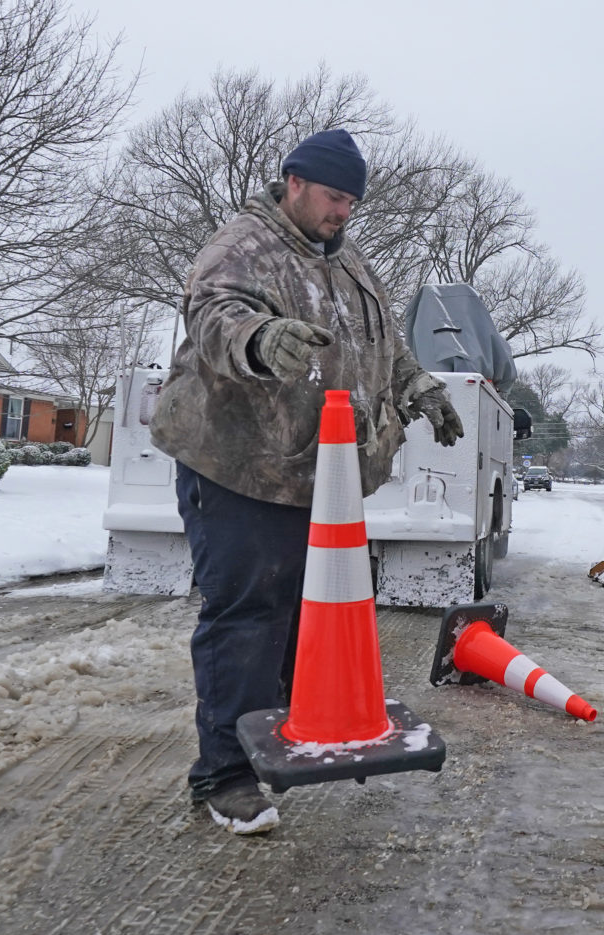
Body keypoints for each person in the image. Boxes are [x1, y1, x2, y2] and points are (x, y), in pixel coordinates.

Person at [150, 128, 464, 835]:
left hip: (311, 476)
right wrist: (261, 342)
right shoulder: (245, 245)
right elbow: (215, 314)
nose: (343, 211)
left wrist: (417, 386)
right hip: (234, 465)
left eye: (352, 200)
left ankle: (279, 738)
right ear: (293, 182)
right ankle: (225, 776)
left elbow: (381, 340)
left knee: (294, 616)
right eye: (332, 196)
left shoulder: (347, 261)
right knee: (246, 617)